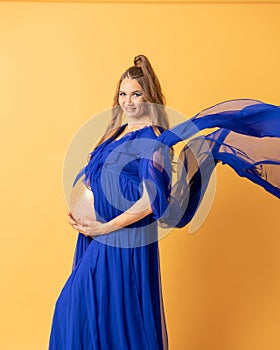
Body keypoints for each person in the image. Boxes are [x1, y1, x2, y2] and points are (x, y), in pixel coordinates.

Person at [49, 55, 280, 350]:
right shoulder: (118, 132)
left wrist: (105, 227)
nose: (127, 102)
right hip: (97, 237)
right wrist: (85, 212)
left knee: (83, 309)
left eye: (136, 94)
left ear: (150, 97)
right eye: (122, 94)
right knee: (89, 314)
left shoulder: (154, 141)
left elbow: (150, 202)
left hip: (121, 238)